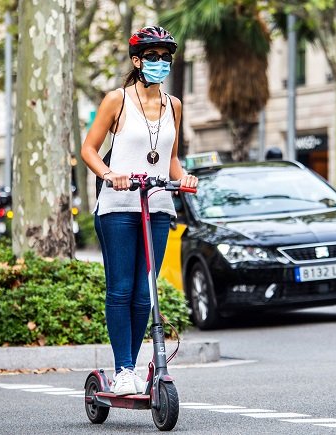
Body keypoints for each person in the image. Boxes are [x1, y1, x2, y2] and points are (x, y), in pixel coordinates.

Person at [80, 26, 198, 396]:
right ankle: (124, 369)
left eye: (166, 57)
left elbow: (170, 160)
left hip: (158, 205)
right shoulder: (116, 100)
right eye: (152, 56)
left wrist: (185, 178)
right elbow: (89, 149)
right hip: (117, 207)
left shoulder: (174, 106)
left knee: (146, 292)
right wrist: (109, 174)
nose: (160, 63)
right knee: (121, 288)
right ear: (136, 60)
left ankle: (134, 366)